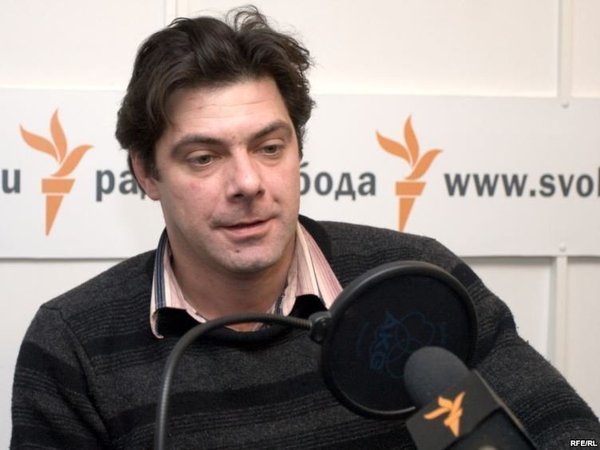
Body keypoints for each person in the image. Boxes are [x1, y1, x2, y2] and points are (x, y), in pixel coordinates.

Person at [11, 6, 600, 449]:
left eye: (270, 147)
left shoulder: (416, 283)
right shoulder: (73, 345)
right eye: (204, 158)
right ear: (146, 172)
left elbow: (569, 432)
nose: (248, 182)